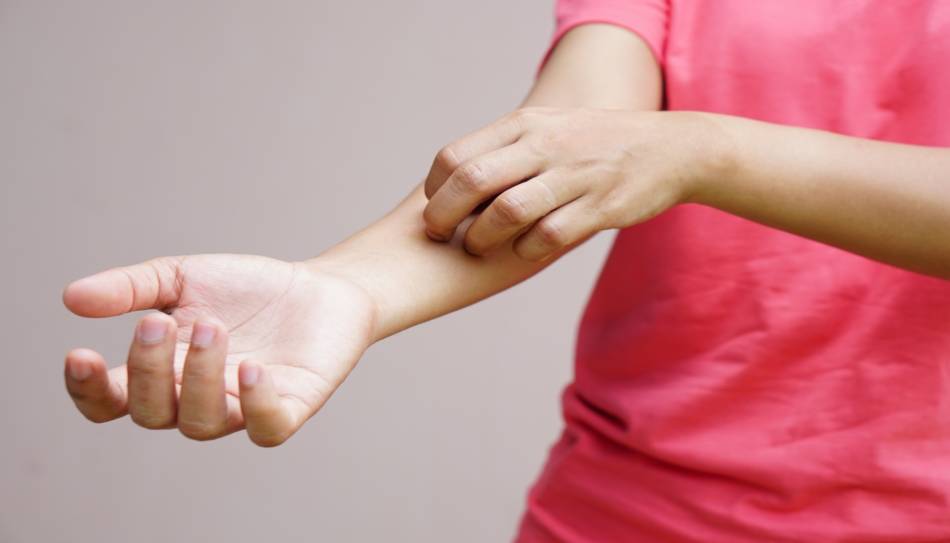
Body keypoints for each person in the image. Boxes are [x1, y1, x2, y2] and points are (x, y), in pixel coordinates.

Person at [62, 0, 950, 540]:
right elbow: (577, 138)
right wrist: (350, 287)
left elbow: (657, 150)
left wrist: (707, 149)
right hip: (625, 508)